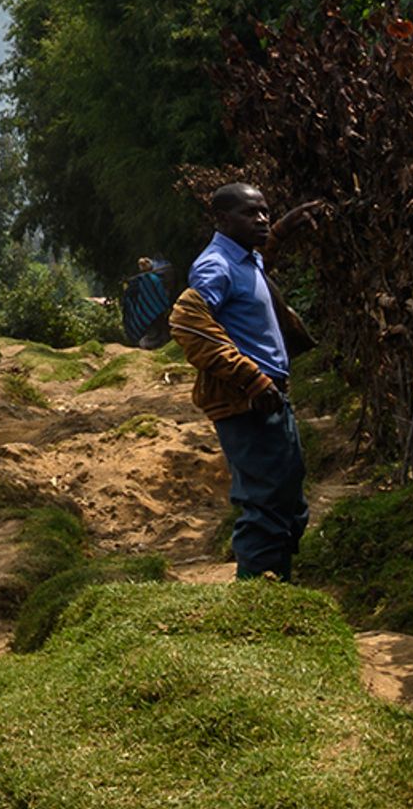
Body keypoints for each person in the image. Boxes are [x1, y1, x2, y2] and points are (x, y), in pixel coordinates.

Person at [168, 182, 313, 580]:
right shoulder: (216, 264)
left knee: (288, 501)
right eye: (251, 214)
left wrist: (282, 230)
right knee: (264, 503)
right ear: (222, 219)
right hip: (247, 403)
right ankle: (257, 592)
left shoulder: (245, 258)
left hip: (271, 399)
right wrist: (250, 378)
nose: (262, 219)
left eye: (265, 211)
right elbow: (187, 320)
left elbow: (251, 273)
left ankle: (276, 584)